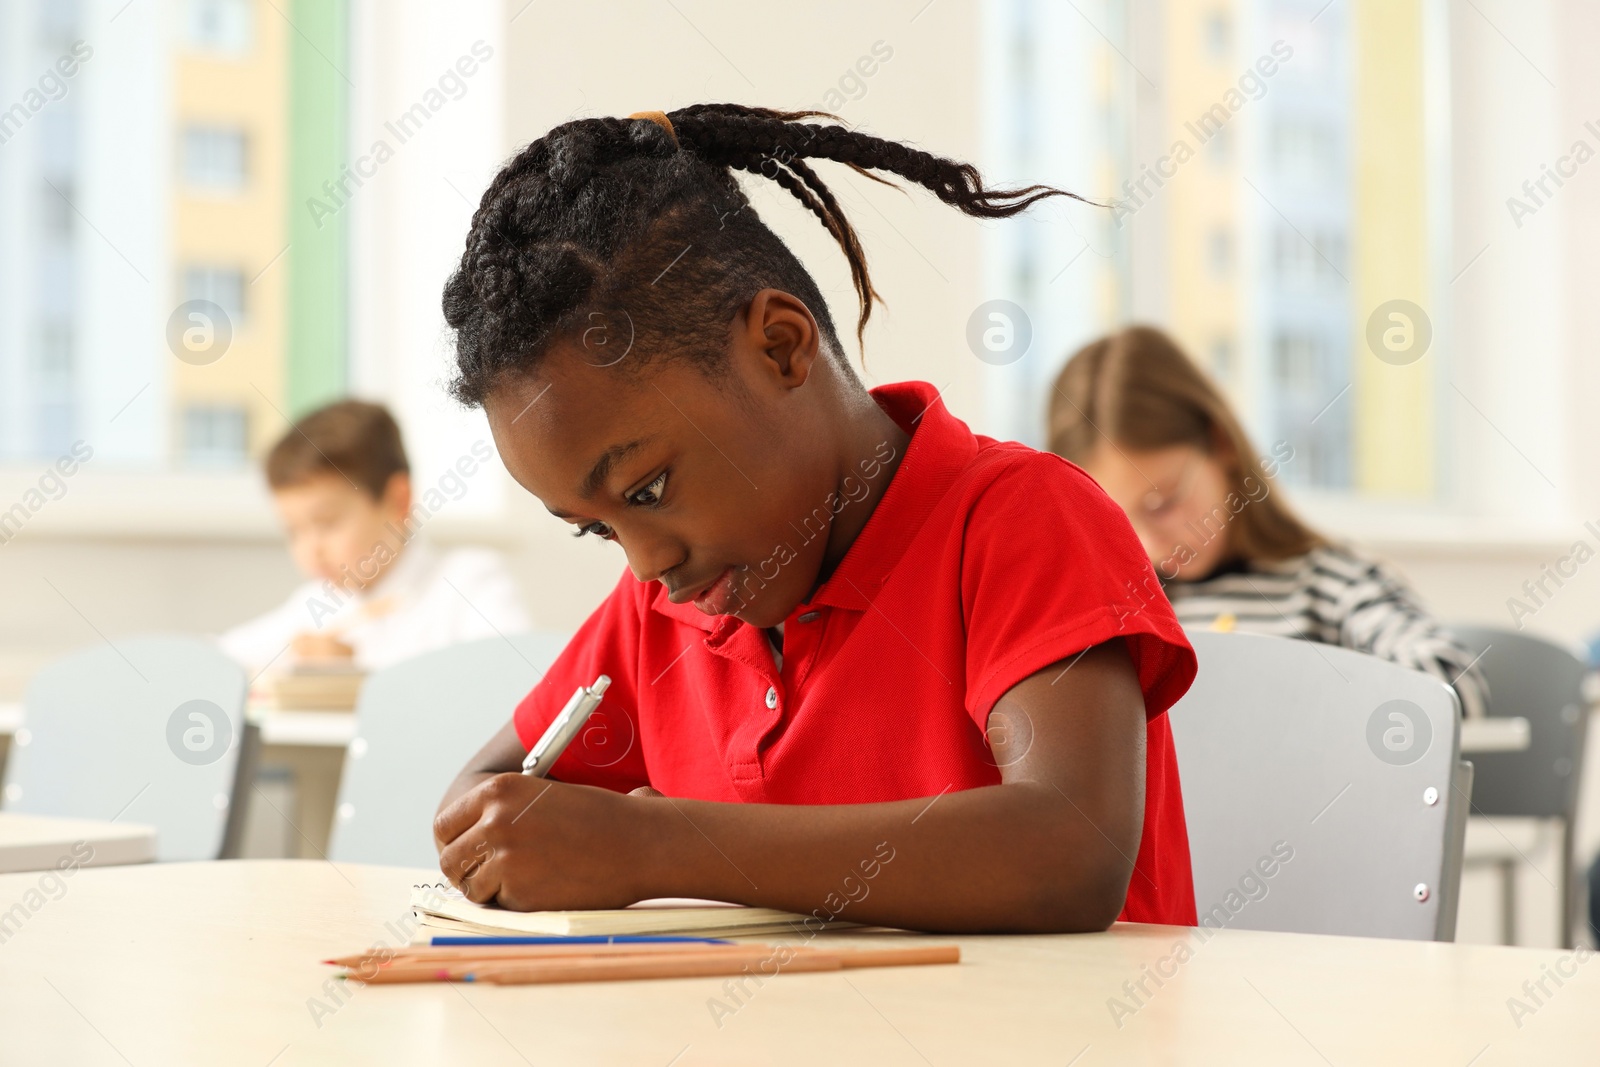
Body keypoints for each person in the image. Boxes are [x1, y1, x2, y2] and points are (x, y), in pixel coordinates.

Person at [432, 105, 1198, 935]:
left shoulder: (1020, 518)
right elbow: (477, 802)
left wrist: (658, 845)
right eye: (599, 529)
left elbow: (1069, 851)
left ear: (781, 347)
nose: (645, 561)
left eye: (647, 489)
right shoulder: (665, 609)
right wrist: (513, 836)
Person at [1048, 324, 1487, 718]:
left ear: (1220, 444)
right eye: (1116, 523)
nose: (1147, 543)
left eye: (1162, 503)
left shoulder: (1329, 583)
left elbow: (1453, 683)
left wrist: (1292, 708)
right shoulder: (1113, 614)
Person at [218, 400, 529, 678]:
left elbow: (509, 680)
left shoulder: (470, 582)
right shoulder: (318, 605)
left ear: (398, 500)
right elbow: (221, 657)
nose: (310, 550)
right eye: (293, 531)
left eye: (326, 523)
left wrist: (355, 674)